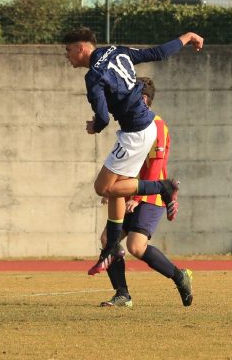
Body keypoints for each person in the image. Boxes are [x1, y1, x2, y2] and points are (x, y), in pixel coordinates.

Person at [62, 28, 204, 275]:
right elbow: (158, 52)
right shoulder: (116, 51)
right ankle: (112, 249)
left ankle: (163, 188)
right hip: (145, 127)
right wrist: (187, 37)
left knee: (102, 188)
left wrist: (93, 126)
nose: (67, 56)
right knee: (115, 190)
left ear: (81, 48)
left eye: (68, 50)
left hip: (134, 135)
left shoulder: (93, 76)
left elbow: (104, 118)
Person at [99, 77, 193, 308]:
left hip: (151, 194)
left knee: (135, 246)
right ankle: (123, 295)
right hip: (132, 191)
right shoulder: (133, 125)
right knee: (106, 239)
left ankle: (180, 276)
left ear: (142, 99)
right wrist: (113, 188)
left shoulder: (157, 126)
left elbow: (154, 168)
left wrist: (137, 198)